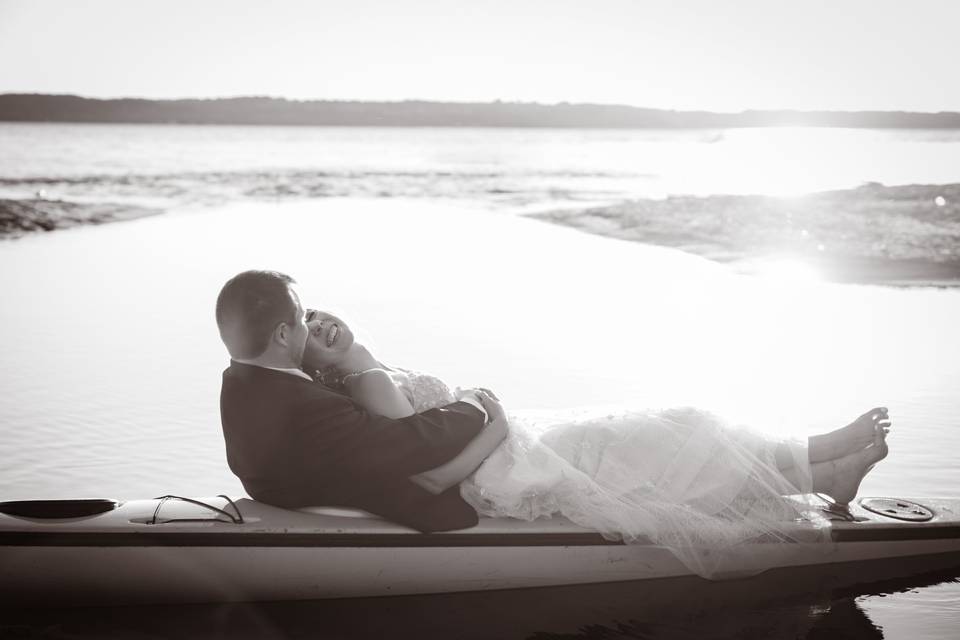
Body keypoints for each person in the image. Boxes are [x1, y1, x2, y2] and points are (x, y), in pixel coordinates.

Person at [299, 298, 892, 579]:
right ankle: (818, 454)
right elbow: (430, 458)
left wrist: (485, 411)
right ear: (311, 359)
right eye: (308, 332)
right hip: (502, 461)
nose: (321, 325)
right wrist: (496, 421)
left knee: (670, 442)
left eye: (318, 314)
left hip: (514, 440)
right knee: (678, 431)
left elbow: (430, 429)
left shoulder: (371, 371)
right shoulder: (368, 382)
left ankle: (821, 473)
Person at [216, 270, 509, 533]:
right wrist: (474, 405)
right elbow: (414, 441)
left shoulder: (237, 382)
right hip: (423, 496)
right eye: (301, 319)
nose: (309, 328)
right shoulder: (306, 406)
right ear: (282, 334)